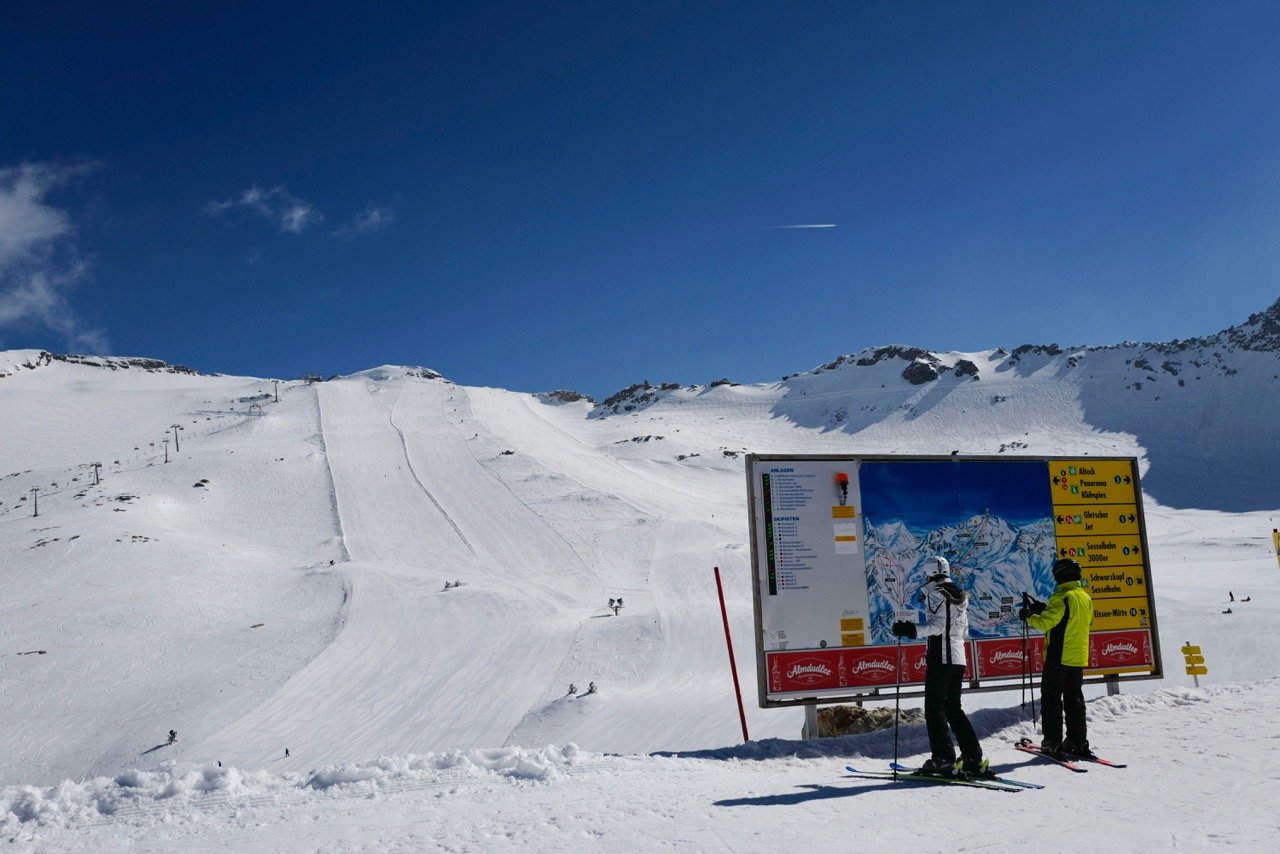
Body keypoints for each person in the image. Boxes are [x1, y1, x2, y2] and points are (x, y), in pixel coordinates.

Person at [892, 556, 989, 778]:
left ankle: (943, 758)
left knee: (934, 709)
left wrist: (911, 630)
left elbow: (937, 626)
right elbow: (962, 631)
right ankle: (973, 757)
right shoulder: (959, 595)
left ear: (929, 573)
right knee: (954, 709)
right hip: (958, 658)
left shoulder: (936, 593)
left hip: (941, 658)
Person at [1021, 557, 1094, 759]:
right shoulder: (1084, 597)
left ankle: (1052, 743)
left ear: (1059, 576)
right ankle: (1077, 742)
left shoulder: (1061, 597)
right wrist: (1044, 610)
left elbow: (1045, 624)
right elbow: (1075, 621)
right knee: (1074, 700)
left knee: (1051, 700)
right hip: (1078, 658)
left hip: (1058, 657)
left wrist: (1028, 616)